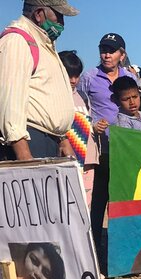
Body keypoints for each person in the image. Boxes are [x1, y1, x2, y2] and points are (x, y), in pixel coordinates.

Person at [78, 32, 136, 262]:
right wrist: (92, 125)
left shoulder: (129, 76)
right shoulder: (89, 77)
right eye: (103, 49)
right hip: (103, 148)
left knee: (122, 200)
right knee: (99, 200)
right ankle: (94, 252)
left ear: (122, 54)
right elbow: (78, 109)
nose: (106, 54)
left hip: (126, 150)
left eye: (112, 50)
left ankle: (120, 251)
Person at [0, 0, 79, 161]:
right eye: (58, 16)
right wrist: (24, 155)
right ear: (39, 14)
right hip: (29, 142)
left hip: (49, 142)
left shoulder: (43, 44)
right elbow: (10, 104)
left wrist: (62, 139)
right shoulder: (17, 41)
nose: (62, 23)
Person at [59, 50, 100, 209]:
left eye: (77, 75)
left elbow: (88, 124)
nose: (73, 80)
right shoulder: (53, 96)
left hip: (87, 159)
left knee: (85, 203)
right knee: (66, 204)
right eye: (70, 75)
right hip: (66, 159)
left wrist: (96, 128)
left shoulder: (83, 96)